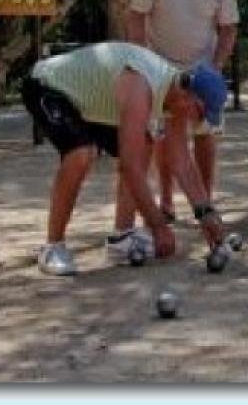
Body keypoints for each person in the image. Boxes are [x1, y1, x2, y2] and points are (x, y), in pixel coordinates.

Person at [22, 42, 227, 275]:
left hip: (88, 103)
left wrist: (206, 213)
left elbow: (182, 162)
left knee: (145, 143)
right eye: (199, 113)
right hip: (47, 84)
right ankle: (52, 247)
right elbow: (130, 167)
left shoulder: (176, 97)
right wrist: (158, 225)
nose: (197, 122)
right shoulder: (141, 84)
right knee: (81, 154)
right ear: (187, 94)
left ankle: (122, 238)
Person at [128, 0, 238, 222]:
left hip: (202, 67)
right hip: (161, 65)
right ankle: (166, 201)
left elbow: (228, 28)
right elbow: (137, 15)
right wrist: (142, 60)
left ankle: (205, 200)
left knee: (206, 131)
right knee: (164, 134)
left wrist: (215, 68)